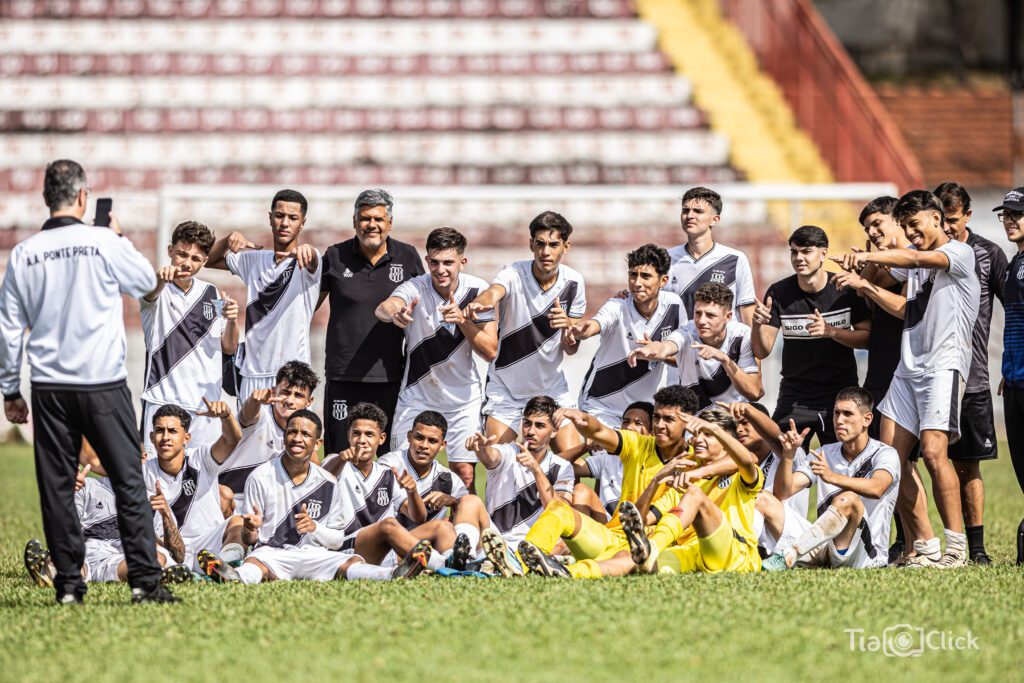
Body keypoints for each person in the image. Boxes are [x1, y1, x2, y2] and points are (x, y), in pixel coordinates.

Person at [0, 159, 178, 604]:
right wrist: (117, 235)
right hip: (102, 382)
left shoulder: (24, 253)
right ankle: (144, 583)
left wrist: (9, 390)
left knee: (59, 487)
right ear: (83, 198)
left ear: (46, 198)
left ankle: (68, 587)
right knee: (128, 480)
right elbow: (146, 283)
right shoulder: (102, 241)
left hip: (50, 387)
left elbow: (8, 328)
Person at [833, 190, 980, 568]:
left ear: (937, 218)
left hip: (942, 366)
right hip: (908, 368)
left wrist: (865, 256)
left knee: (933, 453)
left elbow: (912, 255)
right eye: (906, 226)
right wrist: (862, 282)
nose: (912, 233)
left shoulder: (958, 254)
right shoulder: (915, 266)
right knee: (890, 462)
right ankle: (927, 547)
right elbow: (903, 307)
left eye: (915, 225)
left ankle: (956, 549)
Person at [521, 408, 763, 578]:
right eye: (697, 433)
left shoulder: (734, 474)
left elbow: (747, 461)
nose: (698, 439)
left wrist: (713, 441)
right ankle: (560, 572)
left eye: (707, 435)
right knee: (633, 562)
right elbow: (642, 518)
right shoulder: (676, 472)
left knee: (693, 498)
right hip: (686, 553)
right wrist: (657, 481)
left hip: (735, 552)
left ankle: (650, 550)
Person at [204, 410, 430, 584]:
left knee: (350, 563)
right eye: (292, 432)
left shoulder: (329, 482)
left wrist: (315, 528)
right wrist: (250, 530)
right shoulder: (259, 476)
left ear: (317, 443)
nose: (297, 439)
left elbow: (337, 540)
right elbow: (252, 541)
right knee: (255, 564)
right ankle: (234, 577)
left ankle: (393, 574)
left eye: (305, 434)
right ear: (284, 437)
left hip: (316, 555)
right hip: (273, 553)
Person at [509, 387, 700, 579]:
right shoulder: (637, 444)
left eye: (668, 419)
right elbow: (599, 430)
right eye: (656, 417)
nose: (659, 425)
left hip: (656, 547)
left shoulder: (698, 462)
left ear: (687, 422)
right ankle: (517, 564)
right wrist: (582, 419)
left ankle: (564, 568)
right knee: (559, 508)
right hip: (612, 537)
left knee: (624, 557)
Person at [375, 227, 496, 493]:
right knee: (400, 473)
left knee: (464, 477)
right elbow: (384, 307)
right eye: (435, 262)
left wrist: (463, 320)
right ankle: (405, 534)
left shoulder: (478, 290)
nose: (441, 269)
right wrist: (395, 313)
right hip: (418, 397)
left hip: (463, 400)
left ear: (462, 262)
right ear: (427, 260)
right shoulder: (414, 287)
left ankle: (465, 533)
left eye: (448, 263)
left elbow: (490, 351)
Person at [466, 211, 586, 452]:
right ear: (531, 244)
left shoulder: (574, 282)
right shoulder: (514, 273)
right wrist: (483, 301)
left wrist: (567, 329)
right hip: (506, 389)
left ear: (566, 246)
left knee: (569, 465)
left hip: (551, 388)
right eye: (540, 244)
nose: (546, 252)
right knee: (498, 462)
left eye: (554, 245)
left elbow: (571, 348)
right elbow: (495, 291)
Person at [318, 189, 425, 455]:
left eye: (378, 219)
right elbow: (307, 306)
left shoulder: (408, 256)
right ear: (354, 222)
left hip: (389, 375)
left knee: (390, 457)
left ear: (389, 223)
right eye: (365, 218)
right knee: (339, 456)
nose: (372, 225)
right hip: (343, 373)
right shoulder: (334, 256)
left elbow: (425, 305)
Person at [933, 182, 1007, 564]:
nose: (946, 228)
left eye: (953, 220)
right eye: (940, 220)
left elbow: (1016, 306)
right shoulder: (924, 255)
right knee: (924, 459)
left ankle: (976, 549)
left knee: (968, 464)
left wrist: (1010, 361)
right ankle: (916, 544)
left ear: (967, 216)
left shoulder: (989, 254)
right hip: (930, 377)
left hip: (972, 376)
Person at [751, 225, 871, 448]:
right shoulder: (779, 292)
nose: (799, 258)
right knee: (782, 458)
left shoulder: (845, 288)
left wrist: (831, 331)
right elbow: (761, 351)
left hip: (840, 394)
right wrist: (757, 325)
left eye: (806, 251)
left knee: (844, 467)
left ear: (823, 253)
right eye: (794, 252)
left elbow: (868, 339)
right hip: (795, 395)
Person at [761, 387, 900, 570]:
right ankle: (752, 555)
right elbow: (784, 492)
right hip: (822, 546)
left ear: (867, 419)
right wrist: (788, 456)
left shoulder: (885, 453)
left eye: (847, 414)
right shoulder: (824, 452)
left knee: (847, 500)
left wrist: (831, 477)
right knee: (763, 498)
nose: (839, 420)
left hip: (864, 555)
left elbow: (877, 488)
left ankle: (789, 555)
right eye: (836, 413)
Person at [207, 189, 321, 402]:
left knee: (296, 436)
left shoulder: (307, 264)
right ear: (270, 218)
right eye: (279, 216)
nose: (285, 223)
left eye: (293, 218)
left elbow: (313, 259)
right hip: (252, 374)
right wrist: (227, 240)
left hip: (293, 378)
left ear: (302, 223)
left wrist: (309, 251)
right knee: (251, 436)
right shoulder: (254, 260)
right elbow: (208, 260)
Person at [320, 403, 458, 573]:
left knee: (442, 526)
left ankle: (456, 563)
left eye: (369, 434)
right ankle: (445, 565)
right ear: (348, 435)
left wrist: (412, 491)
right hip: (348, 549)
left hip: (387, 550)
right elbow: (322, 477)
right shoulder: (336, 462)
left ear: (382, 438)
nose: (362, 440)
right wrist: (341, 459)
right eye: (356, 433)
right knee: (388, 525)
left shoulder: (386, 474)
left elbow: (419, 517)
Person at [140, 220, 239, 454]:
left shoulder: (211, 292)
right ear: (170, 251)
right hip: (163, 403)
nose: (186, 263)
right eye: (182, 254)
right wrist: (159, 279)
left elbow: (228, 346)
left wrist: (233, 319)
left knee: (203, 484)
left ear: (204, 261)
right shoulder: (156, 288)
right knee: (156, 482)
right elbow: (149, 293)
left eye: (195, 259)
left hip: (205, 408)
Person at [23, 458, 187, 588]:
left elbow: (177, 555)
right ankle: (48, 571)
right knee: (71, 557)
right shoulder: (87, 486)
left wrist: (165, 515)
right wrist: (66, 495)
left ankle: (155, 575)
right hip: (90, 552)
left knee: (156, 557)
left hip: (126, 558)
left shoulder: (154, 499)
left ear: (142, 459)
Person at [572, 244, 682, 428]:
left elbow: (683, 358)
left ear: (663, 281)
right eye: (633, 275)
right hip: (601, 406)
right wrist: (584, 331)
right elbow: (598, 323)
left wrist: (660, 353)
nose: (637, 282)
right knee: (607, 456)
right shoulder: (618, 305)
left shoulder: (674, 305)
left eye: (645, 276)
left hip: (641, 411)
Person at [464, 396, 575, 576]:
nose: (530, 431)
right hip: (495, 541)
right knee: (469, 501)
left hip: (535, 545)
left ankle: (510, 562)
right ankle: (469, 561)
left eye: (539, 426)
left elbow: (561, 514)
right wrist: (481, 448)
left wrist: (536, 470)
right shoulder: (508, 451)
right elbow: (491, 456)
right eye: (527, 424)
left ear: (554, 431)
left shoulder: (562, 467)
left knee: (565, 539)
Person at [143, 403, 248, 578]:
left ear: (187, 438)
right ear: (152, 437)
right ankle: (188, 572)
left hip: (210, 546)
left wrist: (226, 415)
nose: (165, 437)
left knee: (238, 522)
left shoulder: (200, 459)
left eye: (173, 431)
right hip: (168, 550)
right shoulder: (144, 473)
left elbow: (232, 439)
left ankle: (222, 565)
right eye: (160, 431)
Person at [630, 282, 761, 411]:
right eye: (698, 313)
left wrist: (724, 359)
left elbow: (754, 393)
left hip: (730, 423)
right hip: (692, 425)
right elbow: (666, 346)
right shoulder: (687, 332)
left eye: (710, 315)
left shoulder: (742, 335)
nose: (701, 321)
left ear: (728, 317)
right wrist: (652, 350)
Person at [216, 361, 318, 508]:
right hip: (229, 496)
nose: (289, 400)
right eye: (285, 392)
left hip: (263, 505)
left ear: (309, 401)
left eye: (298, 395)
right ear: (274, 391)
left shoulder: (304, 433)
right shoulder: (261, 415)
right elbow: (246, 416)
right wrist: (254, 401)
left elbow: (317, 478)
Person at [717, 400, 809, 554]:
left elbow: (774, 438)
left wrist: (747, 410)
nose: (739, 429)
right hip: (757, 545)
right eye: (735, 426)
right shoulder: (737, 466)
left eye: (745, 423)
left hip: (793, 542)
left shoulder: (790, 453)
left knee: (759, 498)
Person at [664, 186, 756, 324]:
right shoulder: (666, 259)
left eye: (698, 211)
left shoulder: (735, 259)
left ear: (715, 219)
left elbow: (748, 318)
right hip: (680, 343)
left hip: (723, 345)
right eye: (685, 210)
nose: (690, 215)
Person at [559, 402, 654, 524]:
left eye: (638, 423)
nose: (629, 427)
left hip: (640, 529)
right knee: (580, 490)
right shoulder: (607, 460)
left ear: (652, 433)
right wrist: (585, 447)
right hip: (606, 530)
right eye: (626, 421)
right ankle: (582, 541)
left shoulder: (659, 464)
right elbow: (556, 466)